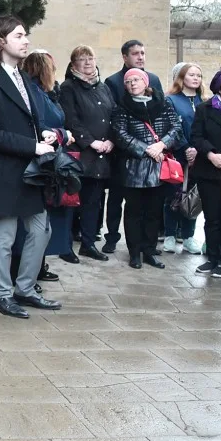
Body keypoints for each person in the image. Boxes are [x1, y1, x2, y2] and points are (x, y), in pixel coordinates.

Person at [0, 17, 61, 319]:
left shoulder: (22, 77)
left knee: (41, 230)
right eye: (19, 35)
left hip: (30, 170)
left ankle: (25, 288)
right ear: (1, 41)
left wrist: (43, 134)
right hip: (4, 171)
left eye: (26, 35)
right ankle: (2, 294)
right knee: (6, 234)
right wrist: (32, 146)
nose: (26, 41)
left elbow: (26, 120)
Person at [111, 69, 182, 270]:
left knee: (154, 212)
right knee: (134, 211)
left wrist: (162, 145)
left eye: (136, 80)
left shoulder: (164, 102)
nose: (133, 84)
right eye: (128, 81)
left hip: (160, 167)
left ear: (145, 82)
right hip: (134, 167)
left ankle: (149, 250)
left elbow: (176, 127)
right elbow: (120, 134)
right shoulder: (122, 106)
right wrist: (147, 150)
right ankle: (134, 252)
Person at [21, 51, 81, 278]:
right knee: (39, 221)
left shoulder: (45, 93)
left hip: (50, 159)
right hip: (42, 161)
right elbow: (42, 126)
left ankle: (39, 266)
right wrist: (64, 135)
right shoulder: (36, 94)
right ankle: (31, 271)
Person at [101, 40, 164, 254]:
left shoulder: (153, 79)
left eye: (143, 53)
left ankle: (146, 244)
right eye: (135, 53)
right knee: (117, 197)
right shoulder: (113, 81)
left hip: (152, 154)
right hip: (122, 151)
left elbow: (161, 112)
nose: (140, 57)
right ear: (125, 57)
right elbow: (111, 116)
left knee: (148, 203)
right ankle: (112, 237)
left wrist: (158, 145)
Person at [58, 46, 116, 262]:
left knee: (94, 201)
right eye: (82, 59)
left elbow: (114, 115)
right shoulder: (68, 87)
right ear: (73, 64)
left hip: (103, 155)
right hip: (80, 154)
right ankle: (65, 246)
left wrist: (111, 139)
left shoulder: (103, 87)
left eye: (90, 58)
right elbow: (70, 119)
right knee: (72, 201)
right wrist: (91, 142)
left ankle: (88, 243)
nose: (88, 62)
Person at [190, 68, 221, 278]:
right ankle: (212, 258)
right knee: (212, 217)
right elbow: (196, 136)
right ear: (219, 88)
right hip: (208, 170)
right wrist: (210, 154)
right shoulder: (204, 109)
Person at [164, 62, 207, 254]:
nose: (196, 78)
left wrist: (197, 149)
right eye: (191, 75)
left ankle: (189, 236)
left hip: (200, 156)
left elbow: (207, 130)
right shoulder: (171, 100)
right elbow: (172, 127)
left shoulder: (205, 101)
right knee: (173, 196)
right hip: (178, 155)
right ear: (182, 78)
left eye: (198, 75)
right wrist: (186, 148)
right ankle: (170, 235)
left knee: (194, 197)